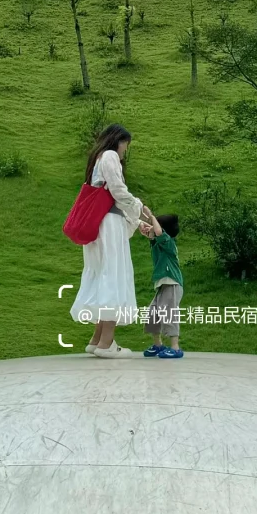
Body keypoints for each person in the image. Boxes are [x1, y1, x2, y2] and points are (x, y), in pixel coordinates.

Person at [70, 124, 153, 358]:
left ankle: (97, 339)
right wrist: (139, 207)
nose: (126, 150)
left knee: (103, 276)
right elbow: (118, 191)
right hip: (108, 227)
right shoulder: (110, 156)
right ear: (119, 140)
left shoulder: (98, 159)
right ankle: (107, 343)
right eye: (126, 144)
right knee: (113, 277)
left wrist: (136, 222)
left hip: (99, 225)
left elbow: (108, 198)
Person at [140, 212, 184, 359]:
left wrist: (151, 217)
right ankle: (158, 345)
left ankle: (175, 347)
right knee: (152, 314)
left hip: (172, 284)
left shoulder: (169, 242)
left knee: (169, 313)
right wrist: (145, 222)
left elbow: (158, 232)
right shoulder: (159, 243)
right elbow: (154, 234)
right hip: (163, 285)